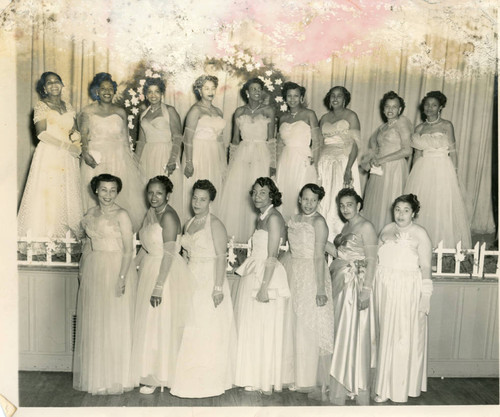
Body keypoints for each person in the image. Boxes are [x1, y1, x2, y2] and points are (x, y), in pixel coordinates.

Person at [170, 180, 236, 398]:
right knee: (190, 327)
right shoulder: (188, 224)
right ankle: (189, 378)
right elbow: (185, 255)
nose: (197, 202)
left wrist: (217, 287)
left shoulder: (215, 224)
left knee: (207, 328)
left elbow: (221, 257)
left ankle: (209, 380)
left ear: (210, 201)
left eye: (202, 199)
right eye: (195, 198)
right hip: (191, 277)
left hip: (210, 279)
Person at [73, 174, 137, 395]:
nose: (108, 195)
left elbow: (129, 250)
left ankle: (116, 377)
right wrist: (84, 271)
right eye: (104, 190)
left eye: (112, 190)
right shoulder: (90, 214)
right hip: (95, 269)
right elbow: (88, 245)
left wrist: (121, 278)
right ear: (96, 191)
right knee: (97, 323)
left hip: (115, 268)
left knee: (114, 322)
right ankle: (98, 376)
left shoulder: (122, 215)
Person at [130, 176, 195, 394]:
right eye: (150, 193)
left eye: (159, 193)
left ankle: (161, 375)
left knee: (160, 322)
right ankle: (150, 371)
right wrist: (132, 267)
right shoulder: (150, 213)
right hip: (150, 268)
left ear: (168, 195)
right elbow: (145, 246)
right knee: (149, 322)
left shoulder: (168, 216)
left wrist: (159, 286)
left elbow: (168, 253)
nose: (153, 197)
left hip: (165, 273)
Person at [234, 177, 292, 393]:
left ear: (271, 195)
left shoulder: (274, 218)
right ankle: (253, 375)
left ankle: (262, 379)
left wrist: (264, 287)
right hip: (255, 270)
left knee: (264, 327)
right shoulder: (261, 217)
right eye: (255, 192)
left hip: (266, 276)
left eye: (262, 193)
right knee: (254, 326)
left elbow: (273, 255)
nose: (257, 196)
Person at [374, 194, 433, 403]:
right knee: (384, 335)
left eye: (406, 210)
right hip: (384, 287)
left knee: (401, 338)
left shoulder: (420, 234)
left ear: (414, 213)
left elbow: (426, 267)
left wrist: (425, 296)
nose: (400, 214)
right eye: (397, 209)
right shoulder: (387, 229)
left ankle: (398, 388)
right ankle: (382, 384)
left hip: (406, 290)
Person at [18, 72, 83, 251]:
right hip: (50, 154)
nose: (54, 85)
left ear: (62, 85)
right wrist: (66, 146)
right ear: (44, 88)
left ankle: (64, 243)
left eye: (57, 82)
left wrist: (77, 141)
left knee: (66, 195)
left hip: (67, 158)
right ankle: (45, 242)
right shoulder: (41, 106)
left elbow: (74, 131)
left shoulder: (68, 106)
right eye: (49, 83)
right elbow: (41, 133)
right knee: (49, 195)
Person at [281, 184, 334, 394]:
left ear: (318, 201)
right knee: (291, 322)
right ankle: (290, 374)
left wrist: (320, 288)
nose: (308, 204)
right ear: (300, 199)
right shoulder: (293, 220)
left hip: (312, 273)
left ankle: (305, 377)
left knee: (307, 324)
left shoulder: (319, 222)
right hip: (292, 269)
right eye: (305, 199)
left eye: (313, 200)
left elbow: (320, 255)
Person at [327, 188, 378, 405]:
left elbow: (373, 260)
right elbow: (342, 254)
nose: (345, 209)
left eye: (349, 204)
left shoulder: (366, 226)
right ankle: (344, 381)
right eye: (342, 205)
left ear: (358, 205)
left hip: (356, 286)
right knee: (342, 334)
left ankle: (357, 385)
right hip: (342, 285)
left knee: (355, 334)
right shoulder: (346, 226)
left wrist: (366, 290)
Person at [79, 72, 147, 233]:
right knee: (95, 193)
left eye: (110, 88)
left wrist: (129, 161)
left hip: (118, 157)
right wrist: (85, 154)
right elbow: (82, 137)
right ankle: (95, 230)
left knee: (118, 192)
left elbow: (125, 140)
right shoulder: (87, 111)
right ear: (97, 91)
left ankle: (117, 230)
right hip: (96, 158)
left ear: (114, 91)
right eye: (103, 88)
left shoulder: (120, 112)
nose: (107, 92)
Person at [404, 91, 471, 248]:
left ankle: (443, 245)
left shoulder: (447, 125)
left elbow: (453, 152)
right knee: (424, 204)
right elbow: (416, 154)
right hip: (423, 168)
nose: (430, 108)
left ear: (440, 107)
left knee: (441, 204)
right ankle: (422, 244)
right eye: (427, 104)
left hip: (443, 167)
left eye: (434, 105)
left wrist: (454, 172)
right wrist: (413, 175)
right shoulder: (419, 128)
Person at [218, 78, 277, 243]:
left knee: (260, 194)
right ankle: (236, 242)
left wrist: (273, 164)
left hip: (261, 155)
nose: (257, 92)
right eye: (253, 89)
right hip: (242, 156)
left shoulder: (268, 110)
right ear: (247, 92)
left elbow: (272, 140)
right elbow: (235, 140)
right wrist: (230, 165)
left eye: (259, 89)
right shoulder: (239, 112)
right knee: (239, 194)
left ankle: (258, 239)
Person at [361, 91, 412, 233]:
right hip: (380, 168)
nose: (390, 109)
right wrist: (374, 159)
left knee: (391, 201)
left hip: (394, 168)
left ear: (400, 109)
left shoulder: (402, 124)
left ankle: (391, 235)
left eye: (394, 107)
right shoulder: (383, 127)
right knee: (378, 203)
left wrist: (382, 160)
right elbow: (378, 148)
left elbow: (407, 150)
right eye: (387, 106)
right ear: (383, 109)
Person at [317, 86, 362, 241]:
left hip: (343, 161)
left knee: (340, 195)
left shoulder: (351, 116)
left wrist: (348, 168)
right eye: (332, 96)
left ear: (345, 99)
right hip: (325, 162)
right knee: (325, 198)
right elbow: (320, 144)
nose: (335, 99)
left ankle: (342, 237)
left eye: (339, 96)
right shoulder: (323, 118)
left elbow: (355, 145)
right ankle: (324, 237)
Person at [136, 78, 184, 219]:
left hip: (166, 154)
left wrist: (172, 160)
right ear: (145, 94)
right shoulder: (143, 115)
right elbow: (141, 142)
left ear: (162, 93)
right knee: (150, 193)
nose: (153, 95)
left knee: (165, 192)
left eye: (157, 91)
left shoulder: (170, 110)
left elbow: (177, 137)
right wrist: (135, 164)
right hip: (147, 156)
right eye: (150, 92)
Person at [182, 75, 227, 218]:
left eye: (213, 88)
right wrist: (189, 162)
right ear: (199, 91)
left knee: (213, 189)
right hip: (198, 154)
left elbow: (220, 140)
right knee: (198, 191)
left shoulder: (218, 111)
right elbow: (187, 139)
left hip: (214, 154)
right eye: (206, 88)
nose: (210, 91)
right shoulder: (195, 111)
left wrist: (223, 163)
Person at [275, 81, 319, 221]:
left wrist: (314, 161)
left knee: (300, 192)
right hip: (285, 160)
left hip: (303, 158)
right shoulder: (283, 118)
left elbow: (318, 140)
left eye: (296, 96)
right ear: (285, 98)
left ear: (301, 97)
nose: (292, 99)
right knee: (285, 193)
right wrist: (275, 165)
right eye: (289, 96)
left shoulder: (309, 114)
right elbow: (279, 145)